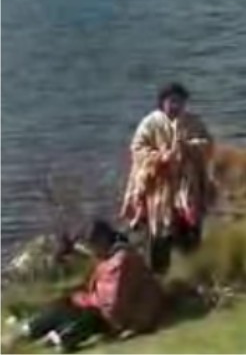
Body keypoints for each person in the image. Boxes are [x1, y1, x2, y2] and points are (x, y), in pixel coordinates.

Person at [4, 220, 164, 353]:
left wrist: (82, 299)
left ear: (101, 240)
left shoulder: (121, 261)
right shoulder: (114, 256)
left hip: (130, 317)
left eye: (89, 245)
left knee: (79, 311)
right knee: (67, 304)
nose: (89, 250)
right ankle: (29, 334)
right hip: (124, 313)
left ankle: (46, 338)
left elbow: (111, 305)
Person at [121, 82, 215, 274]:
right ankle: (159, 277)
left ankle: (192, 274)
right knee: (159, 237)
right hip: (159, 191)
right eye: (171, 101)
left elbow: (208, 145)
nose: (176, 106)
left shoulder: (193, 122)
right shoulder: (150, 123)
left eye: (180, 101)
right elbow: (137, 150)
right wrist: (160, 157)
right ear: (162, 103)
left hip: (187, 189)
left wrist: (188, 147)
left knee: (190, 235)